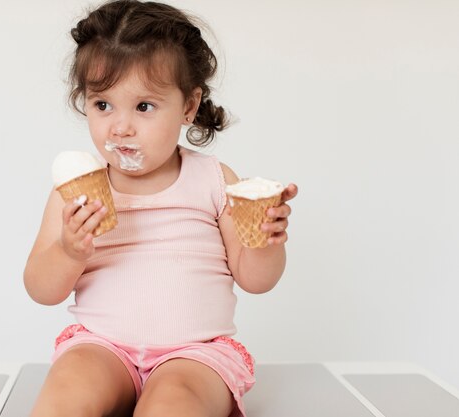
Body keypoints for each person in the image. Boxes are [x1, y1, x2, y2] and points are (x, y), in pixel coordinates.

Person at [24, 1, 298, 416]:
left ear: (188, 106)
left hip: (194, 354)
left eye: (144, 106)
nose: (120, 126)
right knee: (63, 398)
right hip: (103, 347)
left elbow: (255, 280)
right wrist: (69, 251)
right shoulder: (74, 193)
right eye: (103, 105)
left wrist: (265, 241)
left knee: (173, 405)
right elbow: (40, 289)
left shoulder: (213, 179)